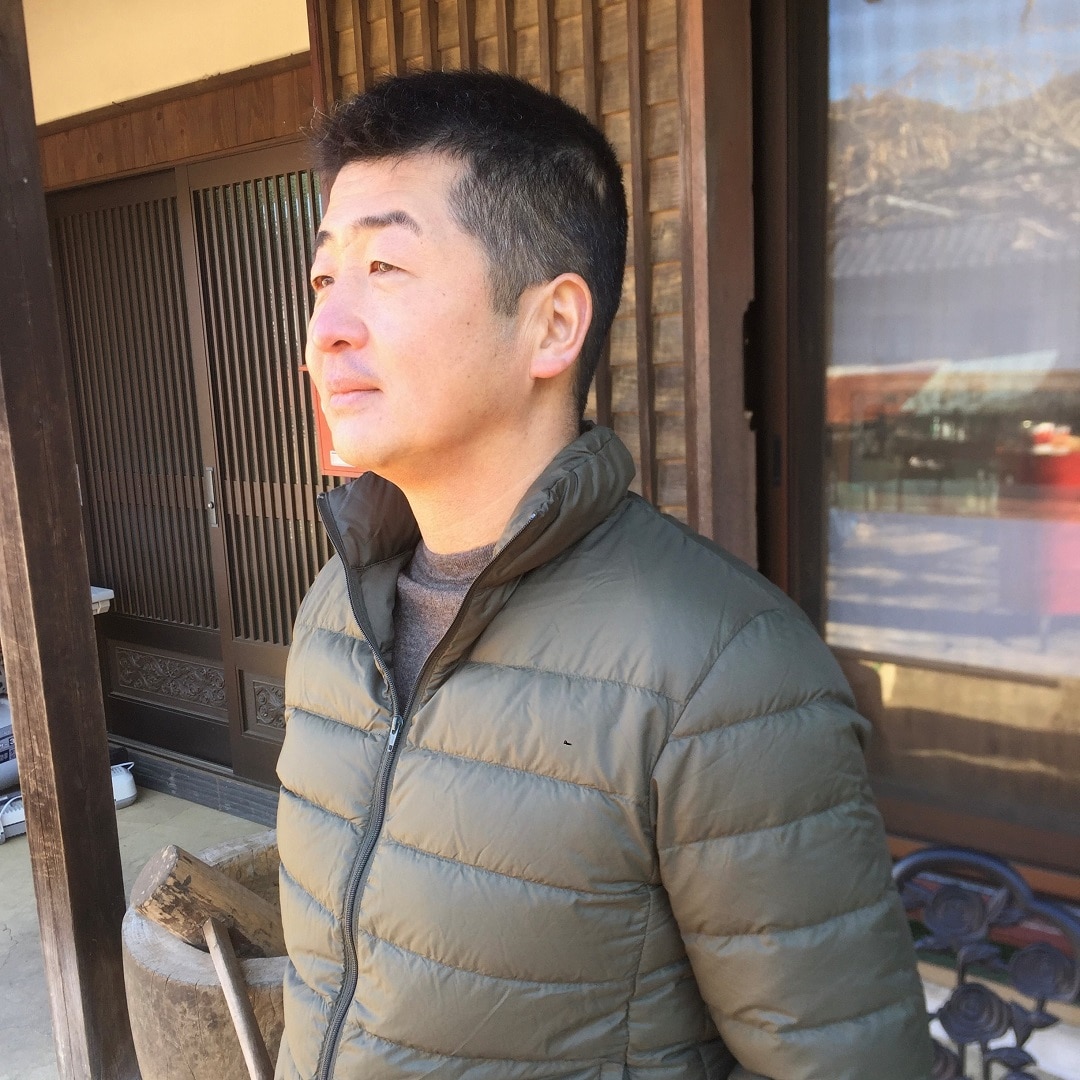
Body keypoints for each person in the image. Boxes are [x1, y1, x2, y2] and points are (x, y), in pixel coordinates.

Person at [274, 69, 932, 1080]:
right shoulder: (334, 610)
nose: (326, 328)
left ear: (552, 326)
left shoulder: (719, 669)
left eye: (385, 267)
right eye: (325, 278)